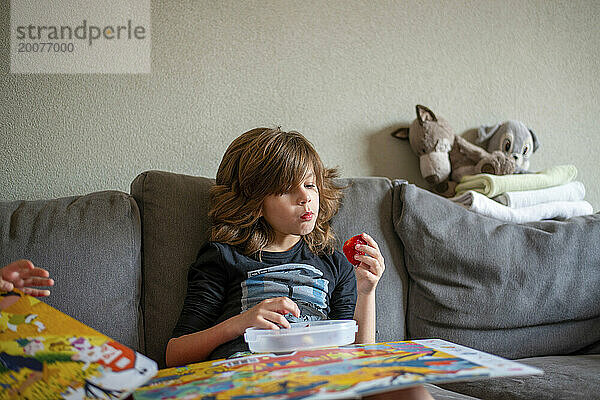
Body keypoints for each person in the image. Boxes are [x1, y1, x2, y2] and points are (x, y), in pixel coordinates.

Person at [166, 127, 433, 399]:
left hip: (320, 381)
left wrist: (366, 290)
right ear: (254, 200)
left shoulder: (333, 264)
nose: (305, 198)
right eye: (285, 189)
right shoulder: (223, 257)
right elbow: (175, 354)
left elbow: (360, 359)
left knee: (408, 388)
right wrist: (240, 323)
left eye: (309, 184)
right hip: (251, 382)